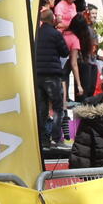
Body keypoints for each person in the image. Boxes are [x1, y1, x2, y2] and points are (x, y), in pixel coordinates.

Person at [35, 9, 71, 147]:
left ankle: (44, 140)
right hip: (52, 75)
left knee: (42, 108)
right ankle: (57, 138)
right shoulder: (55, 34)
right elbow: (64, 52)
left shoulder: (36, 34)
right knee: (57, 107)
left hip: (37, 75)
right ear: (52, 19)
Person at [65, 11, 99, 101]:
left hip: (88, 61)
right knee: (84, 92)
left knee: (89, 90)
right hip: (82, 63)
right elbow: (74, 63)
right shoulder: (73, 38)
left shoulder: (89, 31)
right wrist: (79, 85)